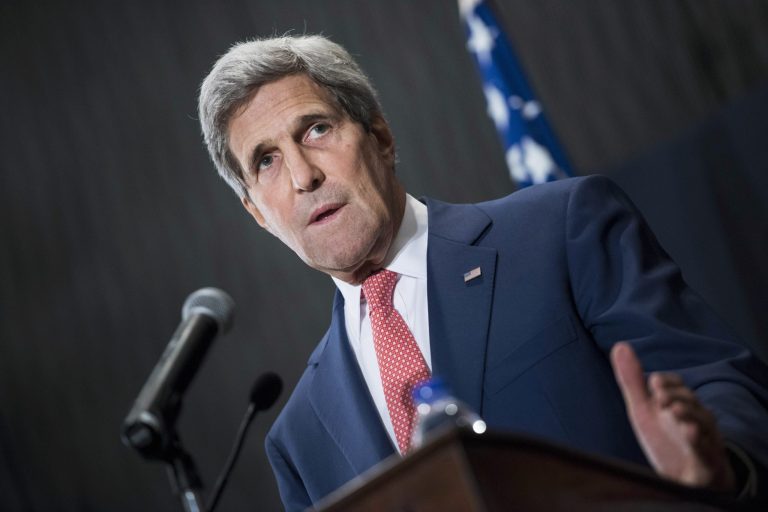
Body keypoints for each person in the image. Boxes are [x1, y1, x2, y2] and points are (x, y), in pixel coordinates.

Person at [198, 35, 768, 510]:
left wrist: (720, 461)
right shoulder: (299, 440)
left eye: (315, 130)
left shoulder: (559, 232)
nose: (302, 176)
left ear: (380, 136)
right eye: (265, 161)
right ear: (258, 215)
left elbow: (714, 377)